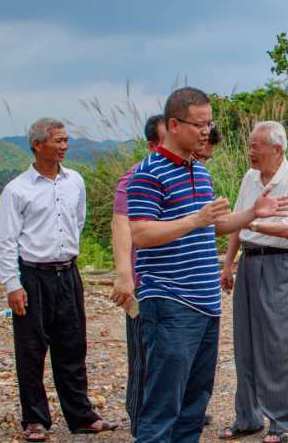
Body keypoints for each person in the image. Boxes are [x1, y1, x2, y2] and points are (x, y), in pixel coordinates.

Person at [127, 87, 288, 443]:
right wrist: (194, 219)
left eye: (209, 123)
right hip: (171, 301)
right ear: (174, 124)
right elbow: (140, 233)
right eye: (199, 125)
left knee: (193, 403)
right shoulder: (149, 173)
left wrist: (252, 214)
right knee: (162, 403)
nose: (207, 132)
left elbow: (215, 224)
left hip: (205, 304)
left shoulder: (198, 171)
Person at [0, 118, 118, 442]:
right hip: (33, 276)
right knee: (31, 349)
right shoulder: (17, 189)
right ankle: (35, 420)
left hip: (68, 273)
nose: (64, 146)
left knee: (73, 345)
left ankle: (81, 415)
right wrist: (13, 285)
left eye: (66, 140)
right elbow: (6, 241)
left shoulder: (74, 181)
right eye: (58, 141)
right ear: (38, 145)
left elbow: (77, 220)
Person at [219, 121, 288, 443]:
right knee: (244, 341)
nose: (251, 151)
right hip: (248, 261)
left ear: (277, 149)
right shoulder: (249, 178)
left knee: (278, 343)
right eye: (250, 144)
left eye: (257, 145)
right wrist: (228, 264)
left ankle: (282, 421)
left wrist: (252, 219)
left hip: (280, 264)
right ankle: (247, 416)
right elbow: (236, 226)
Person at [110, 114, 166, 438]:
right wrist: (124, 275)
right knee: (144, 362)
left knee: (173, 360)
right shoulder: (134, 178)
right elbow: (121, 226)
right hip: (145, 287)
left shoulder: (186, 174)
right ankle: (140, 427)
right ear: (151, 145)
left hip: (177, 289)